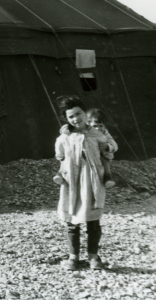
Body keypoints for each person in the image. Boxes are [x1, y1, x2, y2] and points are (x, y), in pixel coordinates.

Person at [54, 96, 109, 271]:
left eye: (78, 114)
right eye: (71, 117)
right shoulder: (65, 137)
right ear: (66, 119)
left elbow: (110, 148)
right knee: (72, 220)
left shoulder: (97, 134)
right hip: (72, 181)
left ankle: (93, 257)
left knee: (93, 220)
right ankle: (73, 257)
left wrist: (107, 149)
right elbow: (60, 155)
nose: (76, 119)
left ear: (85, 113)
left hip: (92, 180)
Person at [54, 108, 117, 188]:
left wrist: (108, 147)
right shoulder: (83, 129)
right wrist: (66, 129)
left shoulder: (104, 133)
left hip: (100, 155)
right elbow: (68, 130)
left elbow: (114, 144)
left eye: (101, 126)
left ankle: (107, 178)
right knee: (67, 159)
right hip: (83, 154)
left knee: (105, 161)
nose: (98, 129)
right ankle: (60, 174)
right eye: (94, 126)